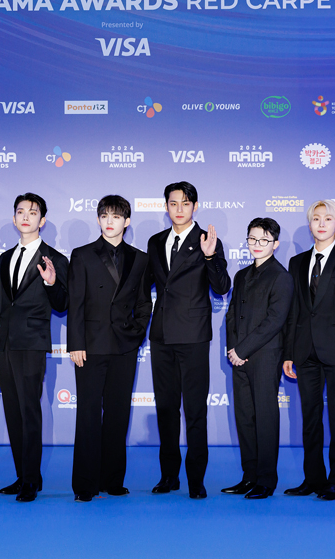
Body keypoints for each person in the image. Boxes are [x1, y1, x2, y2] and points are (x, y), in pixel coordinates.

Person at [144, 181, 230, 499]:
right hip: (162, 336)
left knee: (194, 411)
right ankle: (169, 475)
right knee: (166, 409)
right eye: (172, 203)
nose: (178, 209)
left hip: (193, 337)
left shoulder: (206, 240)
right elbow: (144, 288)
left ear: (195, 206)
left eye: (185, 203)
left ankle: (196, 478)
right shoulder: (155, 242)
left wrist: (210, 258)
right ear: (166, 207)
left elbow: (222, 286)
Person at [282, 199, 335, 501]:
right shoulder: (296, 262)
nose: (322, 223)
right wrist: (289, 353)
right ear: (310, 225)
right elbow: (293, 311)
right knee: (309, 417)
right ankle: (313, 478)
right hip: (305, 351)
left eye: (328, 218)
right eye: (316, 218)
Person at [67, 195, 151, 502]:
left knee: (118, 414)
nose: (109, 221)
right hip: (89, 346)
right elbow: (75, 302)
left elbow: (144, 303)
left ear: (126, 222)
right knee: (88, 415)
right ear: (99, 220)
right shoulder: (83, 254)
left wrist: (137, 332)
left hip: (124, 346)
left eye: (116, 216)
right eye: (104, 216)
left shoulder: (140, 259)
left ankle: (113, 480)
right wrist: (75, 343)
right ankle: (85, 484)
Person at [0, 193, 69, 502]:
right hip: (6, 346)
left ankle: (31, 482)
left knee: (29, 412)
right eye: (20, 211)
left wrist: (51, 282)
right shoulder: (5, 258)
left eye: (33, 212)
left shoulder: (55, 259)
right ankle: (23, 474)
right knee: (13, 413)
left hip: (33, 344)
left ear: (43, 220)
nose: (26, 216)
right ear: (14, 218)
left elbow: (63, 305)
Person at [222, 217, 293, 500]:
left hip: (264, 356)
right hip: (239, 357)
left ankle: (266, 479)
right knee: (245, 418)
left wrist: (244, 349)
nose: (256, 245)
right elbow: (230, 317)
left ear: (275, 244)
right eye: (252, 239)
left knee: (264, 417)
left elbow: (275, 321)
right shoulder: (241, 275)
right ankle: (248, 476)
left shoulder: (281, 277)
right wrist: (233, 350)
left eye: (263, 240)